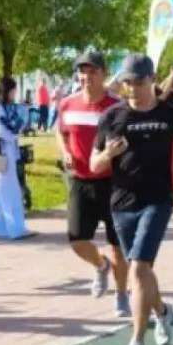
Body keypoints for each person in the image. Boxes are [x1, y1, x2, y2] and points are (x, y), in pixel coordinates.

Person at [92, 55, 173, 345]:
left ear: (152, 80)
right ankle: (163, 312)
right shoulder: (112, 116)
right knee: (143, 271)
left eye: (139, 82)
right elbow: (93, 162)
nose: (133, 89)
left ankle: (137, 342)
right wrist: (108, 154)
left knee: (137, 268)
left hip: (158, 200)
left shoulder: (170, 114)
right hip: (122, 204)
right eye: (127, 83)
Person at [56, 51, 130, 316]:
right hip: (80, 181)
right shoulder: (67, 104)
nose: (86, 77)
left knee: (118, 246)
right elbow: (60, 131)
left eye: (92, 71)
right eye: (82, 72)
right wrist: (64, 151)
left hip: (112, 183)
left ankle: (122, 295)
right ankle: (100, 266)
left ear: (103, 73)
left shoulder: (117, 107)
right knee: (76, 239)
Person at [0, 77, 33, 240]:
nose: (15, 94)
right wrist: (15, 133)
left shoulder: (3, 107)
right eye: (13, 90)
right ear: (6, 91)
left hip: (2, 152)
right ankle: (15, 229)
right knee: (9, 191)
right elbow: (0, 131)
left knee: (3, 191)